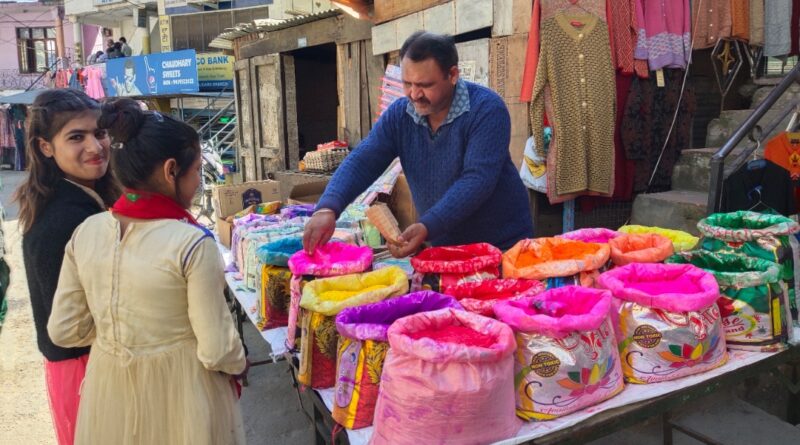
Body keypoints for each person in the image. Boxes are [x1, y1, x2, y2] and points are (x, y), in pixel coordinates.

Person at [47, 98, 246, 444]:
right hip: (182, 395)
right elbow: (216, 351)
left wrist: (119, 336)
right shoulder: (191, 244)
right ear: (171, 170)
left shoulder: (87, 232)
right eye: (197, 169)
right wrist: (239, 364)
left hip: (108, 392)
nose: (199, 180)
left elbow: (64, 330)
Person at [303, 31, 533, 257]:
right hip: (444, 248)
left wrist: (428, 225)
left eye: (425, 84)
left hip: (503, 246)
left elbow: (477, 180)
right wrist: (328, 207)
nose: (413, 94)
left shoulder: (487, 109)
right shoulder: (399, 115)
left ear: (452, 75)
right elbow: (364, 159)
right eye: (407, 83)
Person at [15, 89, 120, 445]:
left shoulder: (82, 199)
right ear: (46, 146)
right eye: (76, 137)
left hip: (86, 366)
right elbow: (74, 324)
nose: (95, 146)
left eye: (100, 133)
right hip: (85, 369)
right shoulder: (66, 218)